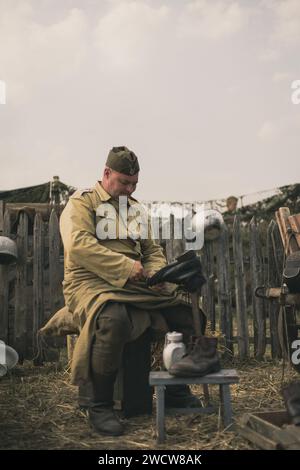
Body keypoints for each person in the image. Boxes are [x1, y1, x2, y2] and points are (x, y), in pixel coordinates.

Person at [59, 146, 206, 436]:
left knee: (189, 317)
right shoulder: (81, 203)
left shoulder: (135, 209)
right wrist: (126, 267)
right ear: (106, 174)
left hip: (134, 287)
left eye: (134, 184)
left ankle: (175, 388)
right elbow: (78, 245)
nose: (129, 189)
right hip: (89, 284)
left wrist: (155, 271)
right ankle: (99, 405)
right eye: (124, 182)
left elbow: (151, 250)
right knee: (114, 320)